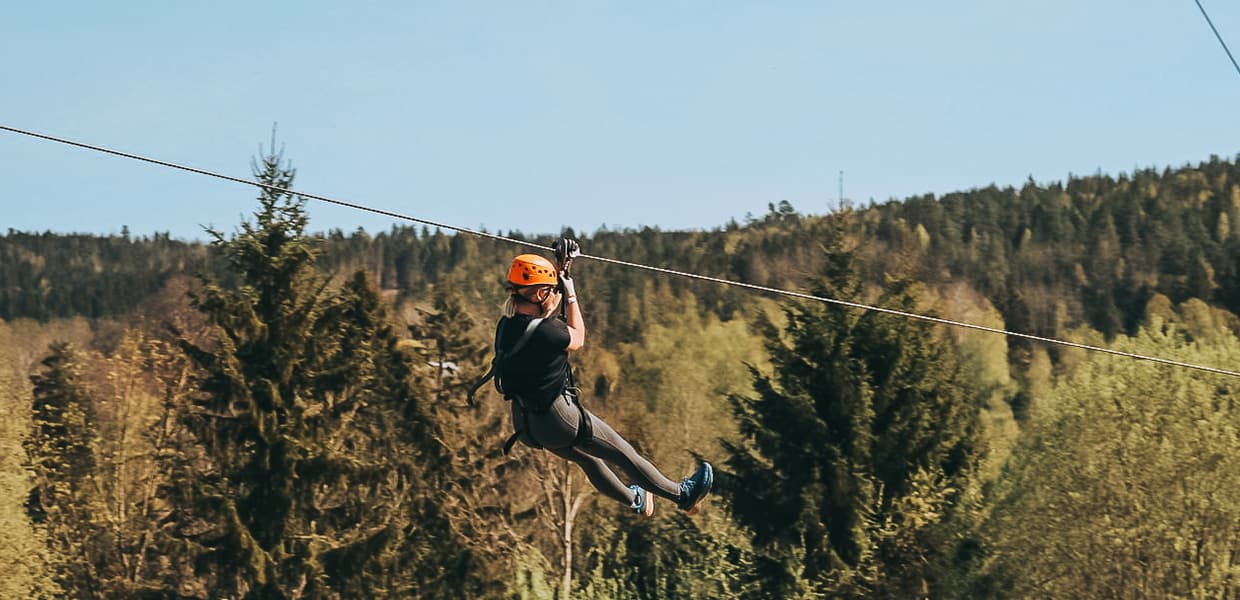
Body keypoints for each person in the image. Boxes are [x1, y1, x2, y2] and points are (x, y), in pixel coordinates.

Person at [479, 242, 712, 517]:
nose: (556, 296)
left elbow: (549, 320)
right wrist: (572, 294)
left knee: (587, 459)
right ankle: (683, 495)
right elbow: (577, 336)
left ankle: (635, 500)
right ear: (541, 293)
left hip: (528, 424)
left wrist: (561, 271)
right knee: (623, 453)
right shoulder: (547, 331)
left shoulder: (505, 327)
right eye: (552, 291)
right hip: (559, 418)